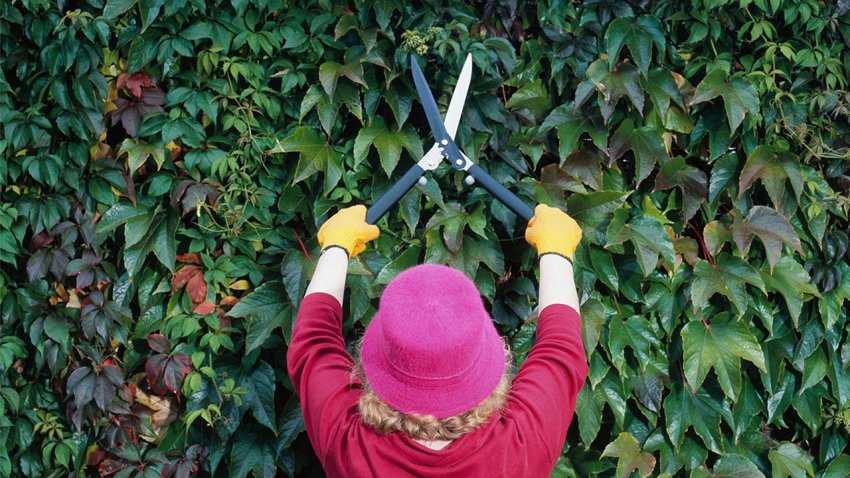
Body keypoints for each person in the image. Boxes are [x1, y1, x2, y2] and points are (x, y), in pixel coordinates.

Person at [286, 204, 587, 477]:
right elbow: (561, 350)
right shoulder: (522, 446)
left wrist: (336, 246)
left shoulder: (349, 445)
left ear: (376, 360)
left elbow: (313, 342)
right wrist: (556, 248)